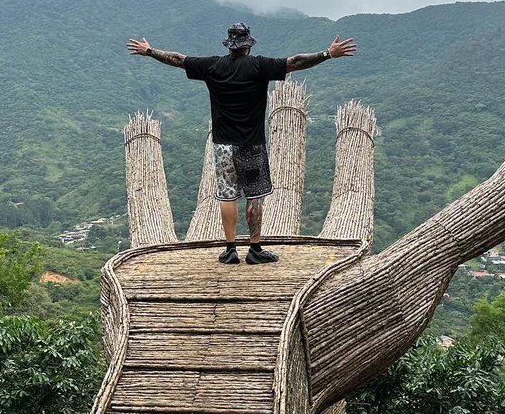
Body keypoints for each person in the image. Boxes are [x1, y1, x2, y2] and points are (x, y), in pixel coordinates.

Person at [126, 22, 357, 264]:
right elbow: (296, 61)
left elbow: (178, 59)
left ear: (230, 45)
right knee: (254, 196)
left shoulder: (212, 65)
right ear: (248, 45)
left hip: (222, 144)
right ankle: (255, 249)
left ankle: (230, 249)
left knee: (227, 196)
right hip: (252, 144)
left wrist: (150, 51)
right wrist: (327, 54)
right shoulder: (260, 66)